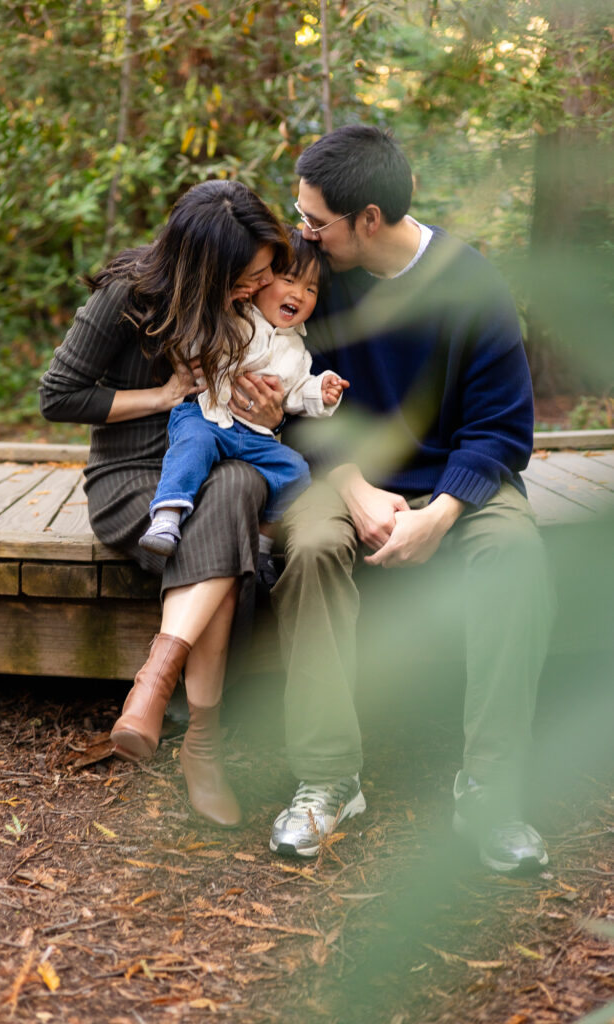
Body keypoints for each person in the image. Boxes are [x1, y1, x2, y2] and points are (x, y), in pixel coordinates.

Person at [268, 125, 555, 873]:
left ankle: (491, 789)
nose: (304, 233)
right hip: (343, 476)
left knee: (514, 554)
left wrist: (442, 513)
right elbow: (294, 402)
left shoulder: (473, 284)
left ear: (368, 218)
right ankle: (329, 780)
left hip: (459, 478)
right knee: (311, 546)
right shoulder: (316, 281)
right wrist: (353, 486)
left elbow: (502, 428)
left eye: (315, 220)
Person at [39, 179, 292, 828]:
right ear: (207, 269)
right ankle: (203, 745)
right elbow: (57, 395)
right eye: (249, 276)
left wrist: (271, 416)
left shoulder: (249, 310)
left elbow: (278, 393)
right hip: (132, 481)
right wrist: (163, 395)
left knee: (238, 487)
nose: (261, 285)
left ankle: (155, 680)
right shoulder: (128, 295)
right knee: (227, 521)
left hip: (218, 473)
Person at [137, 226, 349, 563]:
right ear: (262, 281)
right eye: (289, 280)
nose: (299, 294)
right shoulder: (233, 316)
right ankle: (167, 517)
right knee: (192, 444)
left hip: (255, 437)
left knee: (295, 470)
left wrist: (320, 391)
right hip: (208, 416)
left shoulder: (298, 349)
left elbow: (295, 393)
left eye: (311, 289)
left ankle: (264, 541)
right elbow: (195, 339)